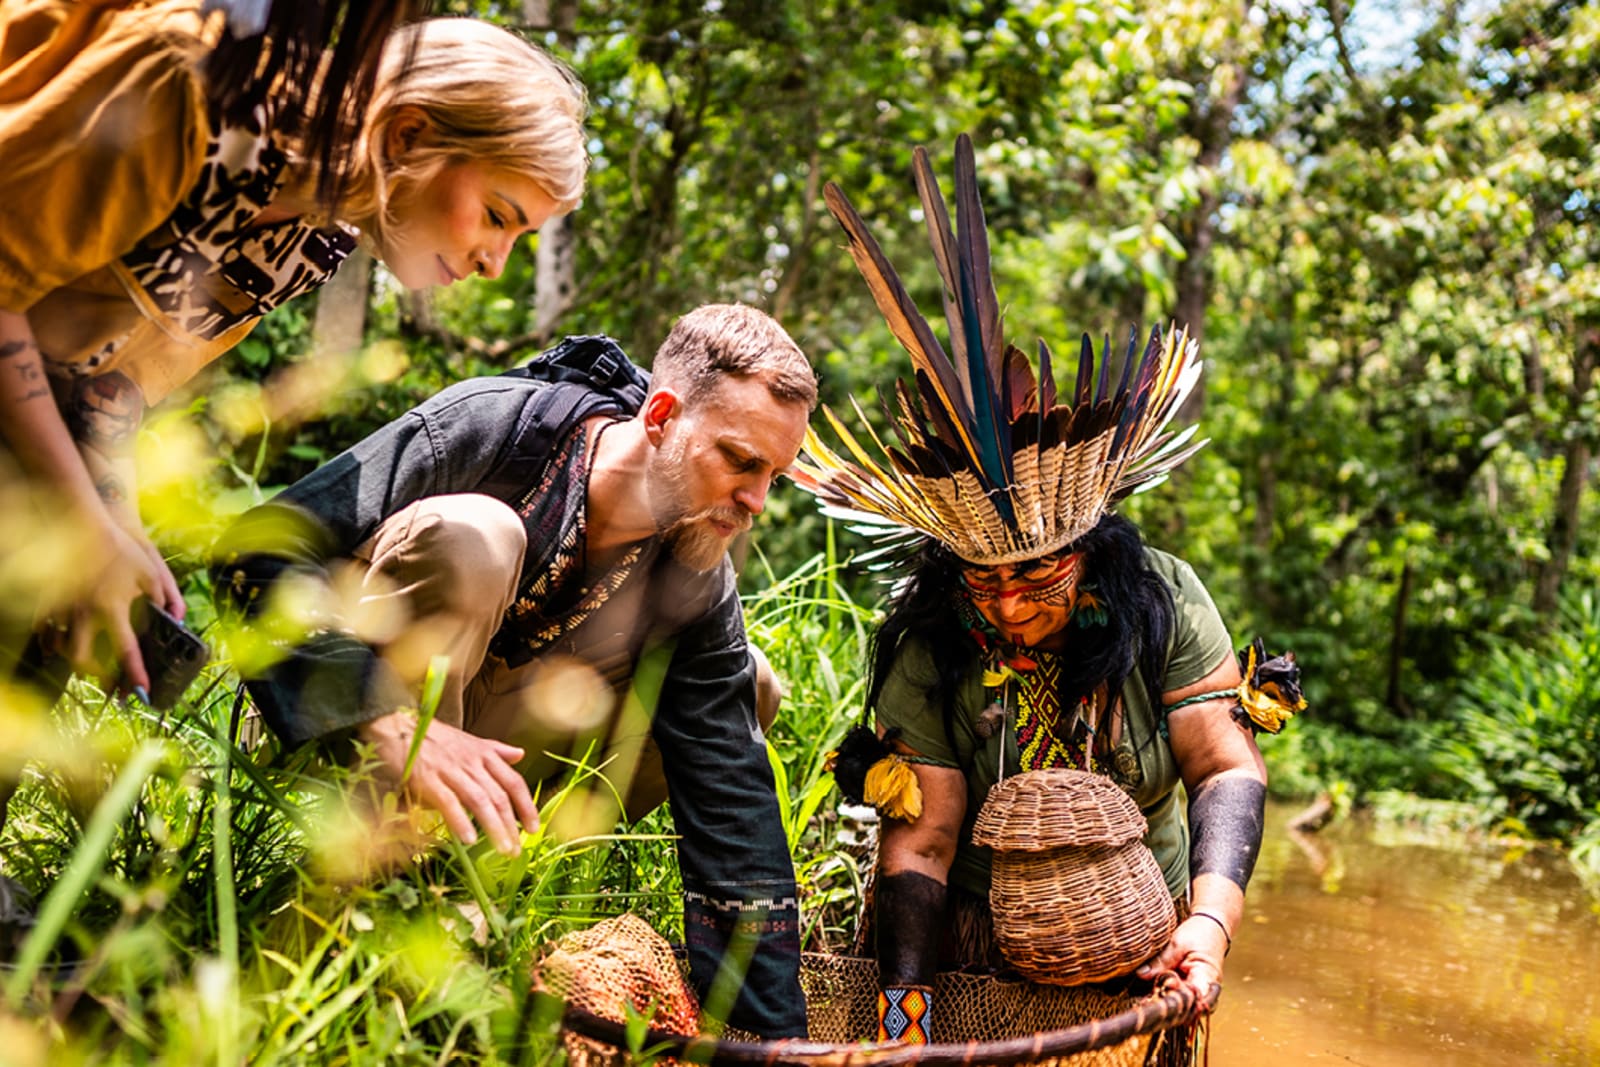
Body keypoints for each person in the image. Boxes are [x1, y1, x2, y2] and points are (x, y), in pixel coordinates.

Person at [795, 136, 1298, 1050]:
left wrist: (1206, 930)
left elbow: (1224, 766)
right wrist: (907, 1021)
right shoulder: (932, 645)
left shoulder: (1162, 603)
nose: (1011, 605)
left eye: (1037, 576)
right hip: (976, 946)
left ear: (1091, 553)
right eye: (982, 583)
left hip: (1149, 941)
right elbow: (926, 841)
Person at [212, 304, 817, 1039]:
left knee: (748, 685)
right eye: (740, 460)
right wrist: (381, 712)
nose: (755, 501)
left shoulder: (695, 564)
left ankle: (491, 879)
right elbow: (257, 549)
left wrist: (777, 1042)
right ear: (660, 416)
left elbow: (733, 798)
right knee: (478, 537)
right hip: (337, 730)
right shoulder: (498, 426)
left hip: (488, 764)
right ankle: (381, 905)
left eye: (774, 477)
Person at [0, 3, 587, 697]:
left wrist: (113, 516)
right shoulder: (187, 88)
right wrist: (81, 519)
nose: (495, 262)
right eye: (497, 215)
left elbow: (113, 384)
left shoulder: (315, 236)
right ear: (409, 135)